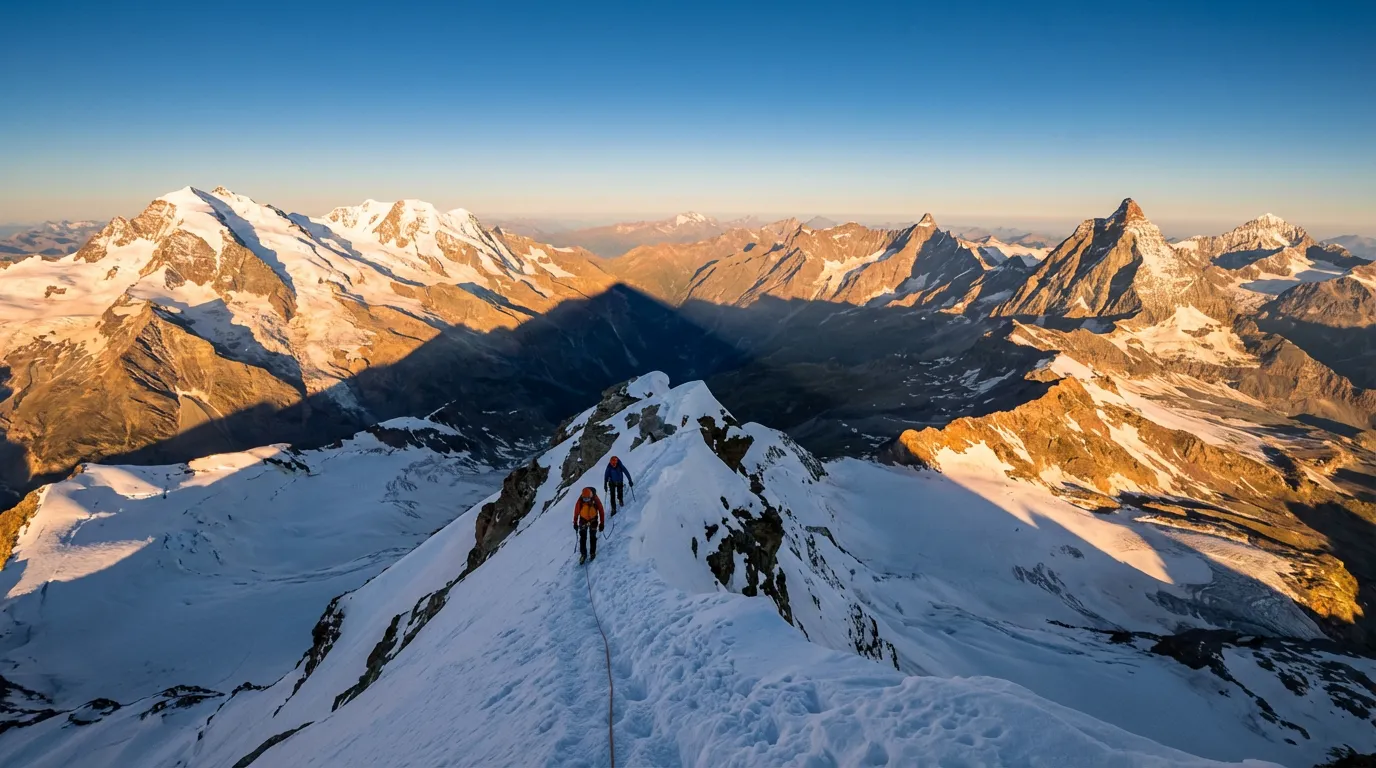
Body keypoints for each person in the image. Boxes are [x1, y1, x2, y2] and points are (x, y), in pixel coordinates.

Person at [572, 486, 605, 564]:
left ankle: (592, 553)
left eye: (587, 499)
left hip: (593, 519)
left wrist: (602, 523)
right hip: (583, 520)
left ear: (590, 496)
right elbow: (576, 512)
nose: (585, 500)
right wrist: (575, 522)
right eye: (584, 499)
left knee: (592, 536)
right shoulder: (580, 500)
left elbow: (601, 510)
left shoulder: (595, 499)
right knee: (583, 537)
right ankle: (583, 554)